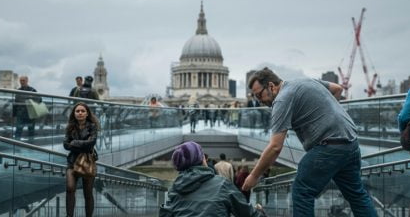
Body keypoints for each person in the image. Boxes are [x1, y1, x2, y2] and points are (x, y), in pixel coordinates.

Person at [242, 67, 377, 217]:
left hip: (328, 146)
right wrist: (324, 114)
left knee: (302, 191)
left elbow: (275, 147)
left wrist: (254, 176)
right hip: (350, 143)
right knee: (356, 195)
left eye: (259, 95)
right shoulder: (304, 82)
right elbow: (337, 89)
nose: (259, 101)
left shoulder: (281, 100)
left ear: (271, 86)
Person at [159, 141, 265, 216]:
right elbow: (247, 213)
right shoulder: (222, 184)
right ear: (201, 160)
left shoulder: (175, 189)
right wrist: (259, 211)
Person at [63, 102, 99, 217]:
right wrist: (82, 144)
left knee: (88, 193)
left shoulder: (92, 126)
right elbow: (65, 144)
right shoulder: (70, 127)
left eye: (82, 111)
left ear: (87, 113)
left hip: (88, 162)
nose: (80, 113)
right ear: (74, 113)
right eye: (77, 111)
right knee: (70, 189)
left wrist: (74, 143)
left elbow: (91, 143)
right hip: (72, 161)